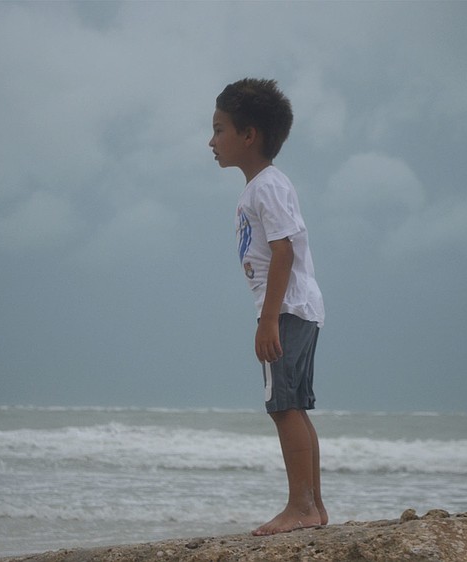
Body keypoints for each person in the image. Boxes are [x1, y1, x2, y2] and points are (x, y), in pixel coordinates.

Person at [209, 78, 327, 536]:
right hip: (294, 308)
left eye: (219, 129)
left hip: (287, 309)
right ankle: (313, 506)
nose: (212, 141)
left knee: (284, 408)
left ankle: (299, 506)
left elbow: (284, 252)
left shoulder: (267, 187)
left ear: (249, 135)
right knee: (292, 405)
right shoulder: (258, 188)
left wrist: (268, 319)